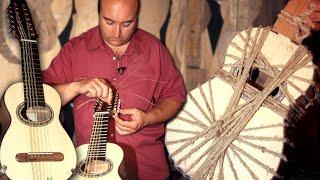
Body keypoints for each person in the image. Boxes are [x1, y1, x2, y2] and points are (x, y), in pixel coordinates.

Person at [42, 0, 186, 179]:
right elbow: (41, 101)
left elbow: (175, 96)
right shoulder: (75, 50)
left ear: (137, 16)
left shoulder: (154, 50)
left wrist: (148, 118)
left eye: (127, 24)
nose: (117, 34)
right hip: (92, 172)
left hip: (147, 170)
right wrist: (75, 87)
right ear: (98, 13)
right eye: (109, 22)